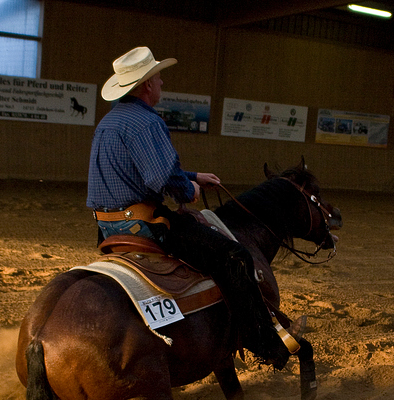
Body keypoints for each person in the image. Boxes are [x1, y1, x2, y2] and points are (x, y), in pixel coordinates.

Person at [86, 46, 290, 370]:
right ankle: (262, 342)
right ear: (146, 85)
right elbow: (162, 180)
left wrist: (194, 175)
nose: (162, 82)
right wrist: (188, 187)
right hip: (146, 225)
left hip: (108, 227)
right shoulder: (146, 123)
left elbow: (137, 171)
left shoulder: (110, 122)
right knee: (235, 256)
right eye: (158, 77)